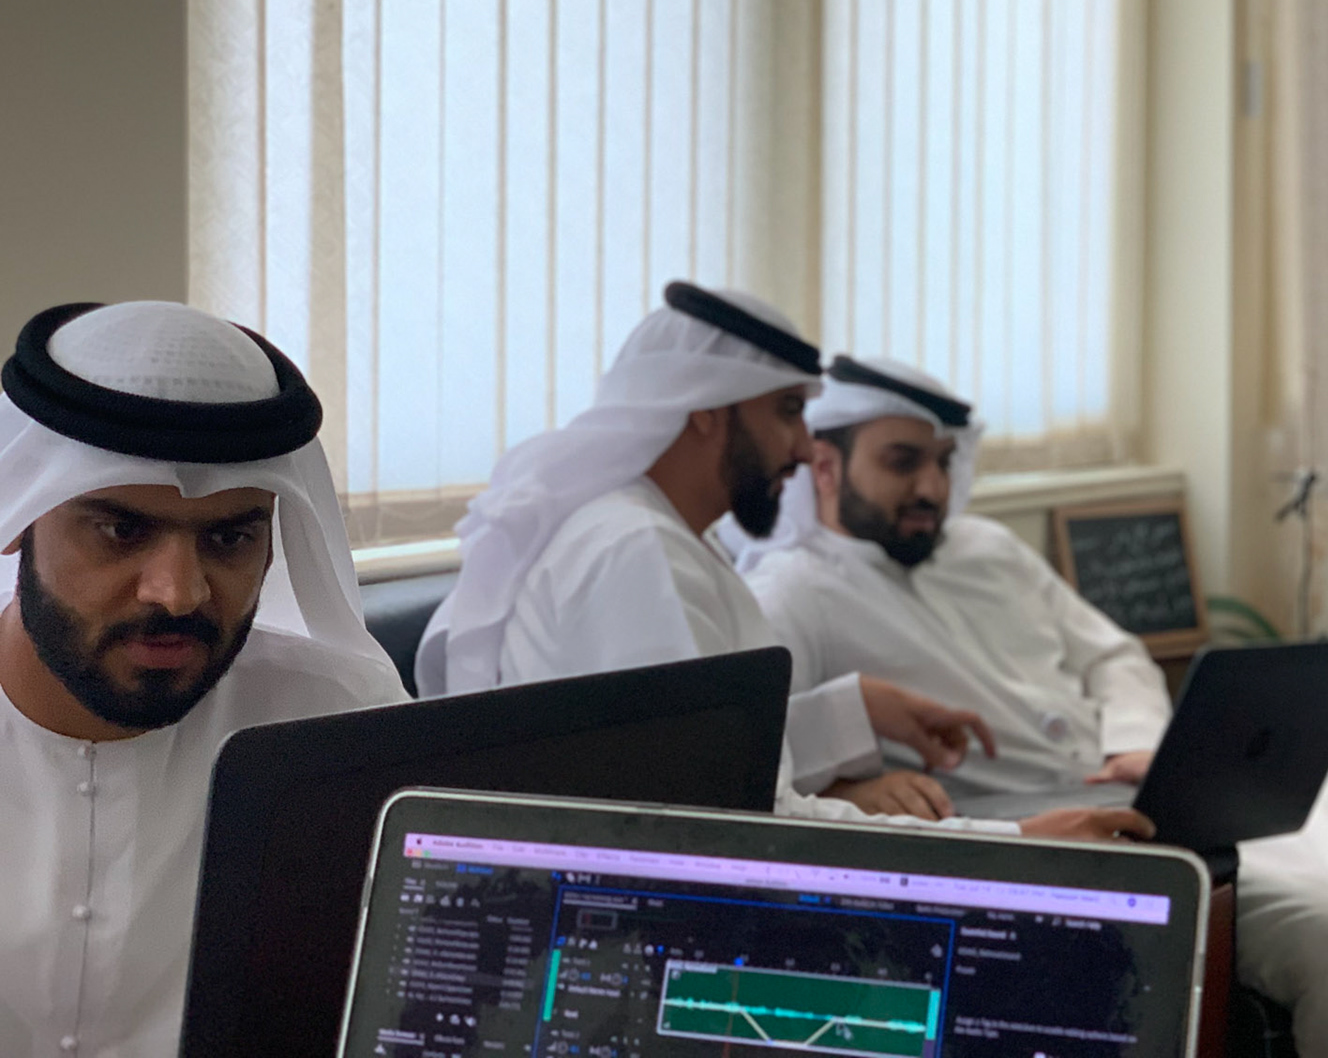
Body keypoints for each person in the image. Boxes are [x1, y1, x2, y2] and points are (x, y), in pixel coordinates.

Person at [742, 354, 1328, 1058]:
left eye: (939, 461)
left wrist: (1139, 741)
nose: (930, 484)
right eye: (902, 463)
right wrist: (848, 787)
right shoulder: (793, 593)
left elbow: (1111, 653)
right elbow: (764, 763)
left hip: (1144, 784)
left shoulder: (986, 548)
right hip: (1053, 831)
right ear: (825, 465)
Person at [418, 282, 1145, 841]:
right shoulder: (634, 550)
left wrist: (853, 710)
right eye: (789, 412)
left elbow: (701, 754)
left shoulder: (663, 538)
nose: (803, 449)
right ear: (709, 409)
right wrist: (1018, 843)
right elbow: (734, 821)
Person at [0, 301, 409, 1058]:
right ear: (22, 517)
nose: (179, 594)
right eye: (121, 530)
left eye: (229, 537)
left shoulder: (344, 727)